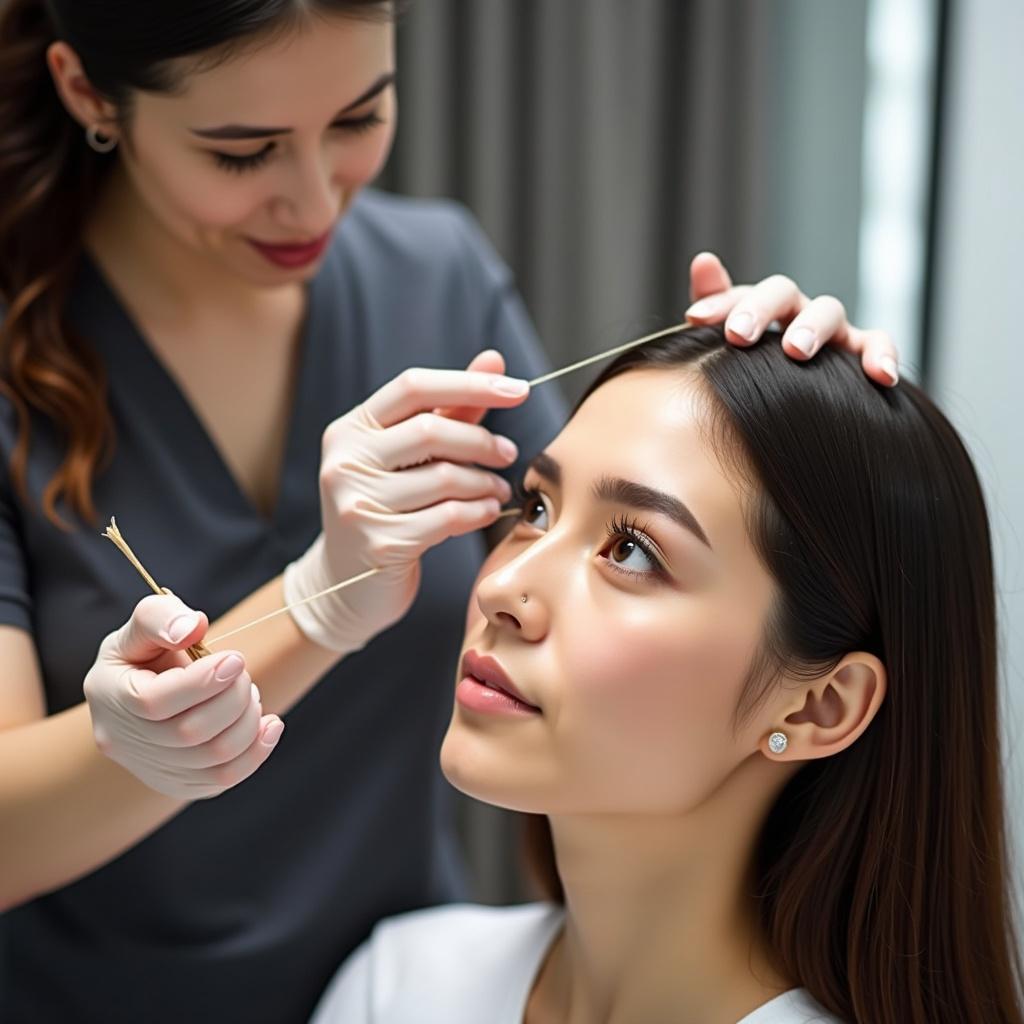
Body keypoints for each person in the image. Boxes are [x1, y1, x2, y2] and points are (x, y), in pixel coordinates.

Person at [0, 2, 900, 1021]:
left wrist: (787, 405)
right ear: (87, 92)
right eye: (243, 152)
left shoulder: (437, 280)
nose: (313, 202)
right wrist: (313, 605)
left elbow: (638, 539)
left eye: (357, 119)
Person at [309, 324, 1024, 1024]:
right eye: (536, 508)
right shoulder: (399, 987)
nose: (503, 588)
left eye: (631, 551)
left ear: (820, 707)